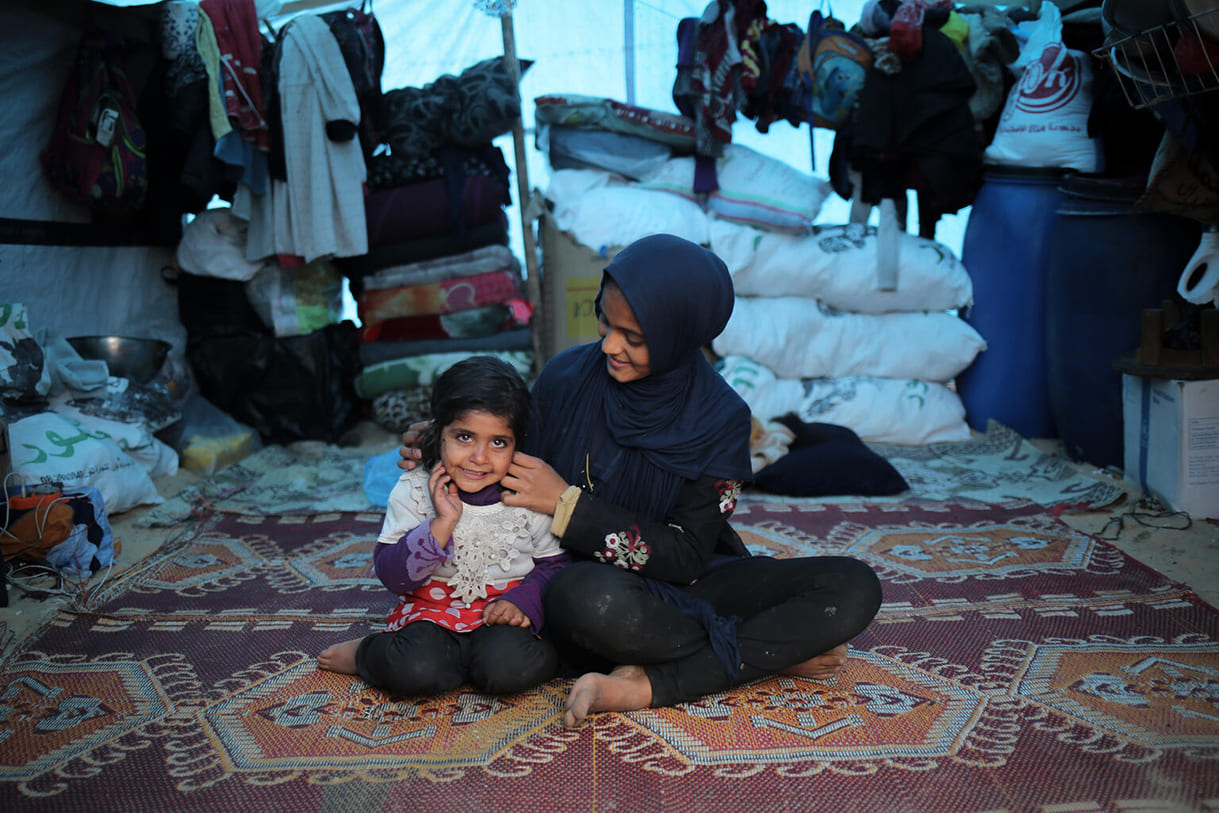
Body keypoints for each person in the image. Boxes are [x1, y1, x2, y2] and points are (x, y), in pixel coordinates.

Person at [398, 234, 883, 727]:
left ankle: (660, 677)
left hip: (680, 588)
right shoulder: (567, 378)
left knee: (853, 584)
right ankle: (765, 651)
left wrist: (568, 504)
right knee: (583, 595)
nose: (610, 345)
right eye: (606, 323)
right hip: (573, 585)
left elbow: (687, 555)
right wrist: (447, 443)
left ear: (680, 334)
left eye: (634, 337)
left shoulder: (722, 419)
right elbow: (499, 457)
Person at [319, 355, 568, 697]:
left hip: (502, 616)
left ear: (518, 444)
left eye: (498, 442)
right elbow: (393, 575)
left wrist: (524, 602)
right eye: (464, 437)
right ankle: (368, 652)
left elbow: (554, 565)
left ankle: (468, 662)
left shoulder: (527, 493)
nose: (479, 457)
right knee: (417, 671)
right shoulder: (415, 488)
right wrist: (442, 524)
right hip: (430, 615)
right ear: (439, 433)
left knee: (510, 671)